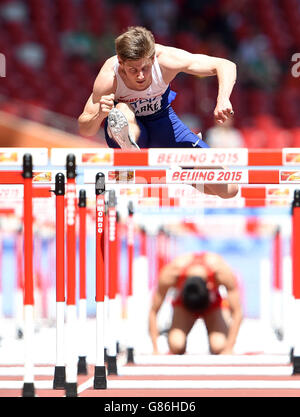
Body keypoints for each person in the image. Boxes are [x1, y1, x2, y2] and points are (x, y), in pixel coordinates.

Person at [78, 26, 238, 199]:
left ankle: (178, 172)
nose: (140, 76)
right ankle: (132, 154)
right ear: (121, 62)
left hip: (163, 122)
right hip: (129, 127)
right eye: (133, 70)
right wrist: (100, 115)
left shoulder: (166, 60)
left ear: (153, 58)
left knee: (229, 188)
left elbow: (225, 65)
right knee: (123, 110)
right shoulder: (110, 76)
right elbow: (85, 128)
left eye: (145, 68)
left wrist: (223, 98)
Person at [148, 252, 243, 355]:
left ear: (210, 285)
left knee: (219, 345)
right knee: (176, 344)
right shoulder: (171, 273)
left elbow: (237, 312)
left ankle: (221, 345)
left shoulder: (221, 271)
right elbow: (153, 311)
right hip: (184, 304)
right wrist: (155, 348)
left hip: (212, 302)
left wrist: (229, 348)